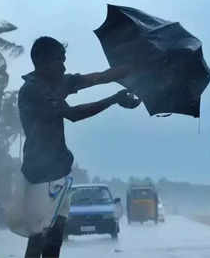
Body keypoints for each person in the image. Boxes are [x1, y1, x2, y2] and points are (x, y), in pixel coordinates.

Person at [18, 36, 141, 258]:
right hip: (38, 174)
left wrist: (134, 68)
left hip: (59, 171)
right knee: (39, 238)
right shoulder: (33, 90)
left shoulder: (55, 82)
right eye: (59, 60)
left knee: (54, 239)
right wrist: (114, 99)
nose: (64, 66)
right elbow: (73, 114)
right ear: (41, 61)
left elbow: (98, 78)